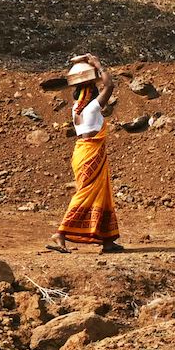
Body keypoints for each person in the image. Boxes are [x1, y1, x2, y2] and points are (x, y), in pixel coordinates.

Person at [47, 53, 124, 254]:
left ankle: (107, 240)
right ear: (91, 91)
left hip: (81, 152)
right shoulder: (91, 107)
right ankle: (61, 233)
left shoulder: (76, 109)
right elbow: (109, 86)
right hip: (91, 152)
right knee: (86, 194)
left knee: (99, 193)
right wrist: (98, 64)